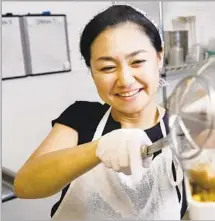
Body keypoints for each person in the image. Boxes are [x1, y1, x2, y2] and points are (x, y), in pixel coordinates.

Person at [13, 4, 188, 220]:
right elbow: (25, 185)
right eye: (107, 68)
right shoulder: (82, 117)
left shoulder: (181, 130)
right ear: (92, 72)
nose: (125, 80)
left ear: (159, 58)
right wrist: (99, 149)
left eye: (138, 62)